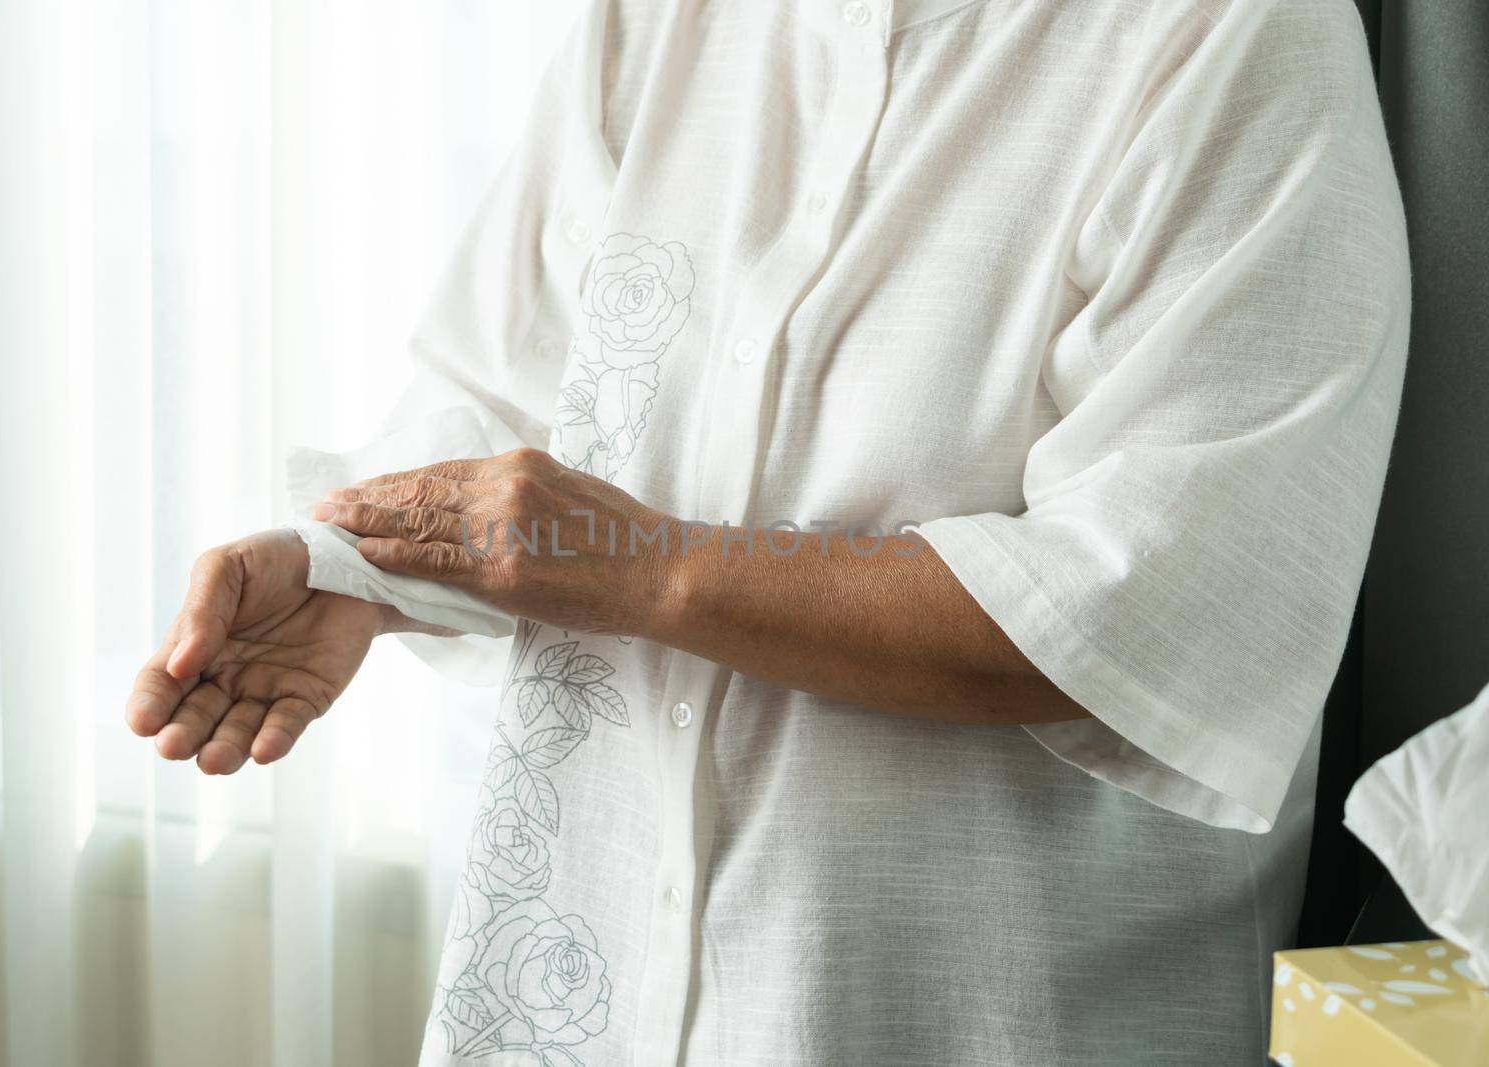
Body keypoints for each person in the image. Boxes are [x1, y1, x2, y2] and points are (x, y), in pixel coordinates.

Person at [124, 0, 1409, 1063]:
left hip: (961, 1018)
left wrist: (649, 570)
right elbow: (516, 395)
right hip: (584, 994)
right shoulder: (659, 21)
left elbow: (1148, 607)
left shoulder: (1236, 37)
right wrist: (349, 565)